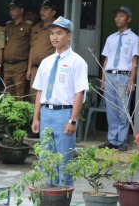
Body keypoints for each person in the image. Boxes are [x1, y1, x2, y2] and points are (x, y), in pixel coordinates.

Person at [31, 16, 88, 186]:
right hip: (46, 113)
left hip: (64, 113)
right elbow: (40, 90)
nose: (54, 37)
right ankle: (49, 196)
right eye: (52, 33)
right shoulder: (46, 62)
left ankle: (63, 197)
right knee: (47, 160)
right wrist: (36, 117)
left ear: (69, 36)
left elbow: (79, 93)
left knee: (64, 160)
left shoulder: (77, 62)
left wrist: (73, 119)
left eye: (59, 33)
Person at [99, 6, 139, 152]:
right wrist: (103, 80)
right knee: (111, 109)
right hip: (110, 75)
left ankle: (122, 140)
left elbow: (135, 61)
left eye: (122, 16)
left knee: (123, 110)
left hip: (124, 76)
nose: (118, 18)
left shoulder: (134, 38)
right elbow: (106, 60)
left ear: (128, 19)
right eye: (116, 16)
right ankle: (112, 140)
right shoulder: (111, 38)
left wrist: (132, 81)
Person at [26, 0, 57, 103]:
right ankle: (35, 119)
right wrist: (29, 69)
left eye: (46, 9)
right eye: (41, 9)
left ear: (53, 12)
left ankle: (43, 119)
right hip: (35, 69)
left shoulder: (57, 28)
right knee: (33, 97)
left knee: (47, 97)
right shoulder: (35, 27)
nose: (42, 12)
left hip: (50, 69)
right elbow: (32, 49)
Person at [3, 0, 32, 99]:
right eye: (10, 9)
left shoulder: (28, 26)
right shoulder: (8, 26)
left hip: (20, 65)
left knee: (20, 93)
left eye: (14, 9)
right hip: (7, 65)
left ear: (21, 10)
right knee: (7, 93)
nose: (11, 11)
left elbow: (31, 46)